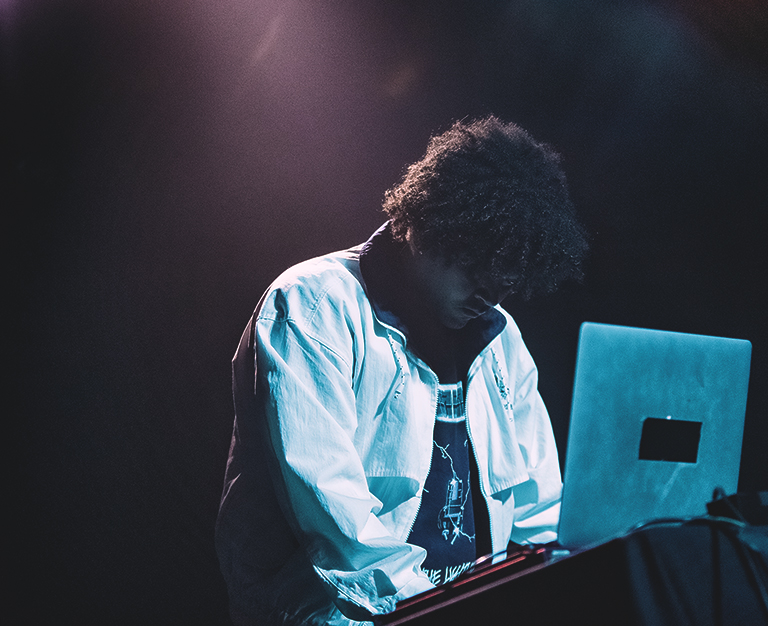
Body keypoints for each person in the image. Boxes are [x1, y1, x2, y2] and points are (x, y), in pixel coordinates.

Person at [215, 116, 589, 625]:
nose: (491, 293)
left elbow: (538, 511)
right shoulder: (313, 305)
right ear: (426, 226)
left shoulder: (502, 338)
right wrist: (451, 610)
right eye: (474, 265)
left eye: (506, 279)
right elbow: (340, 529)